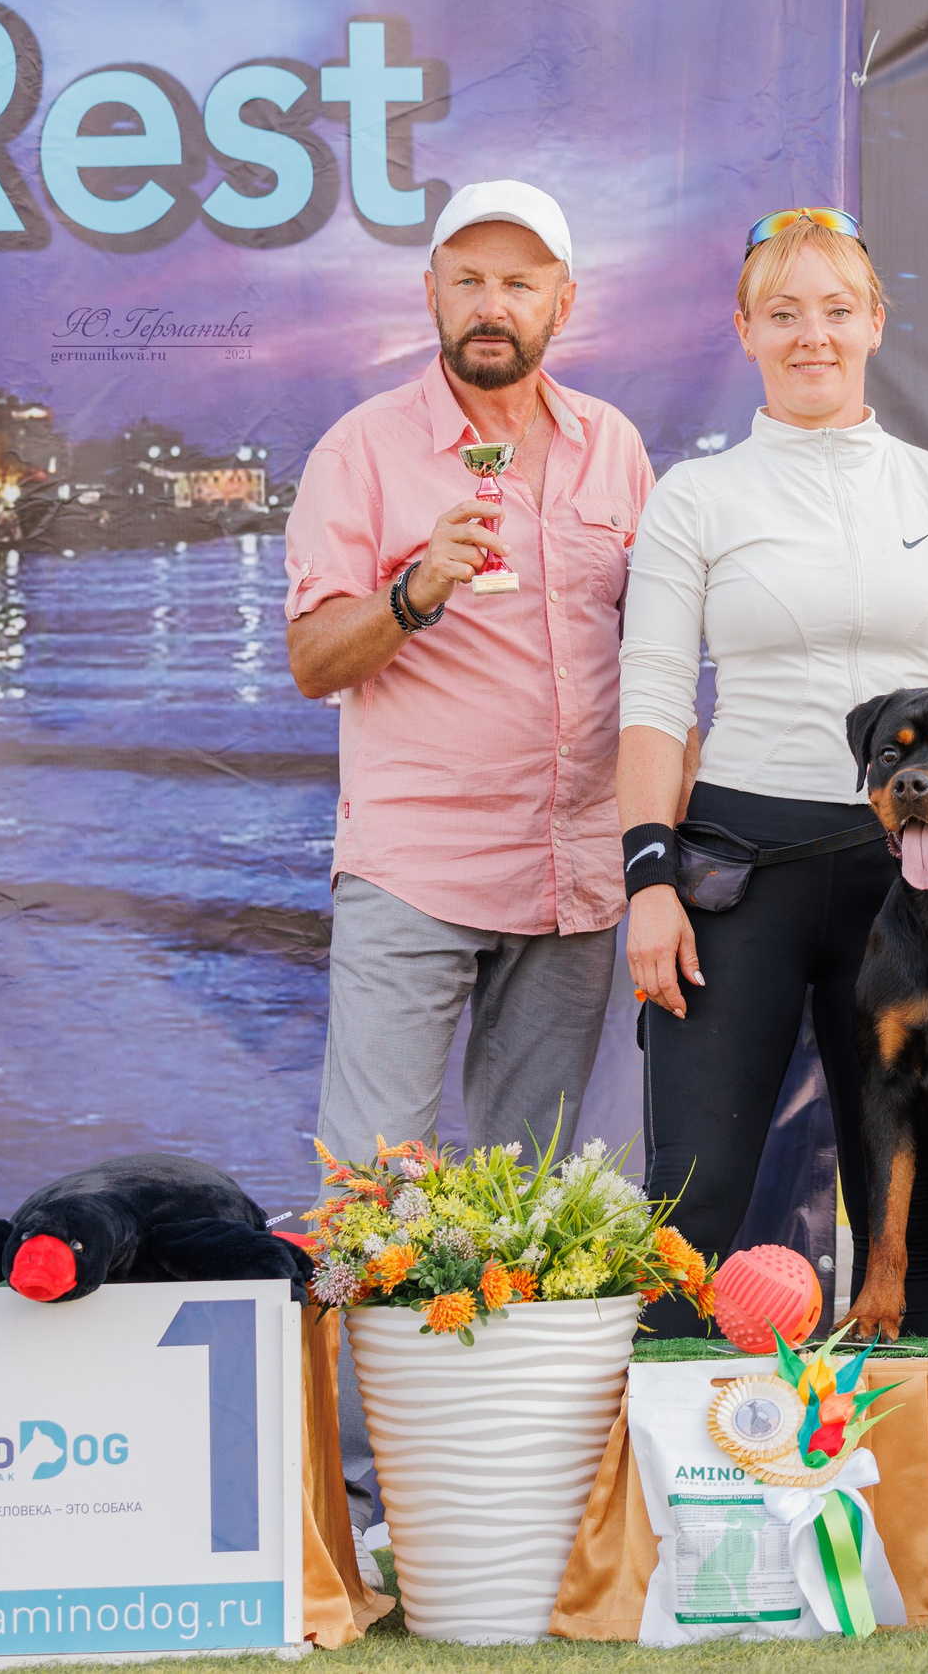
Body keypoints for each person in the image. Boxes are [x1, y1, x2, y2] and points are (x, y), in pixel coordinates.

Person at [616, 209, 928, 1338]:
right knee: (695, 1195)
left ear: (876, 324)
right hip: (739, 874)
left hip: (919, 877)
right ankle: (669, 1490)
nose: (813, 335)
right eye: (783, 313)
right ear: (744, 329)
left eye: (837, 310)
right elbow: (658, 701)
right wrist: (649, 881)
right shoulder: (693, 497)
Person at [285, 179, 654, 1165]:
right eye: (470, 281)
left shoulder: (612, 446)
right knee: (369, 1188)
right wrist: (413, 593)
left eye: (519, 285)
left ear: (561, 303)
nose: (493, 305)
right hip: (417, 872)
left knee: (527, 1201)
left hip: (572, 875)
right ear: (433, 295)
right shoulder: (360, 450)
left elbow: (654, 651)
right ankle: (364, 1327)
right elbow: (313, 663)